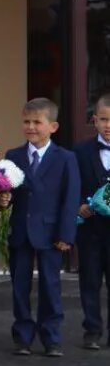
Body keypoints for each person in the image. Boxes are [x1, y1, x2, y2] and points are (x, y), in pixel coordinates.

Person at [0, 97, 80, 357]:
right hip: (21, 231)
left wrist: (66, 234)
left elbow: (70, 198)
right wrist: (4, 200)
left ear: (53, 127)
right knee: (20, 286)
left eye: (37, 122)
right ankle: (22, 336)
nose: (31, 127)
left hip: (50, 232)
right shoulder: (13, 156)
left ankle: (51, 336)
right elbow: (9, 194)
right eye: (26, 121)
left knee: (50, 285)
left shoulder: (65, 158)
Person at [75, 93, 110, 350]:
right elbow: (71, 184)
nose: (108, 125)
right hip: (90, 229)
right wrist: (79, 205)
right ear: (94, 120)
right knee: (89, 280)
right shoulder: (80, 151)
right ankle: (92, 331)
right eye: (104, 119)